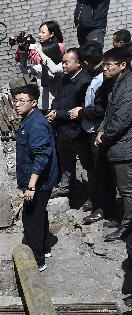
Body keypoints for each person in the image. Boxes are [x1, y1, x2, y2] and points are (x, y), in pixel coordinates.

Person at [14, 84, 59, 269]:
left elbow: (41, 156)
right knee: (39, 214)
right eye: (15, 101)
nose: (17, 105)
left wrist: (31, 186)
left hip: (39, 181)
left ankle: (38, 260)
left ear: (33, 103)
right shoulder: (29, 119)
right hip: (38, 179)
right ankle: (45, 246)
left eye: (21, 101)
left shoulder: (37, 124)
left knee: (30, 218)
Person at [72, 43, 117, 225]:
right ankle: (98, 202)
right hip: (89, 130)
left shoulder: (103, 80)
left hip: (98, 132)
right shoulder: (94, 77)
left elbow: (100, 110)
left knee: (102, 173)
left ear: (85, 62)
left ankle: (105, 209)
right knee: (95, 172)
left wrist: (81, 112)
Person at [95, 47, 132, 241]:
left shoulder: (128, 86)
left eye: (109, 65)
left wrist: (105, 135)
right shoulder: (115, 83)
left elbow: (121, 119)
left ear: (122, 65)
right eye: (104, 65)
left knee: (127, 190)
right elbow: (109, 112)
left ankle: (127, 227)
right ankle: (123, 219)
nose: (105, 69)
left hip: (125, 147)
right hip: (115, 144)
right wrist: (101, 129)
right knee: (122, 187)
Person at [48, 48, 92, 198]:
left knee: (87, 164)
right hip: (62, 130)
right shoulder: (65, 78)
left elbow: (80, 110)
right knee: (66, 161)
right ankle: (65, 187)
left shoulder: (85, 82)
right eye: (62, 62)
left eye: (66, 62)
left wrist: (58, 114)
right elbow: (57, 99)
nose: (63, 65)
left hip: (77, 132)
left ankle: (93, 195)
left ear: (78, 63)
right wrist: (53, 111)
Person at [26, 21, 66, 110]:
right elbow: (27, 68)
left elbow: (54, 68)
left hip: (55, 99)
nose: (40, 35)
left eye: (43, 32)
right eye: (39, 32)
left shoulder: (59, 46)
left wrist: (39, 53)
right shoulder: (39, 47)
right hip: (43, 98)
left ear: (52, 34)